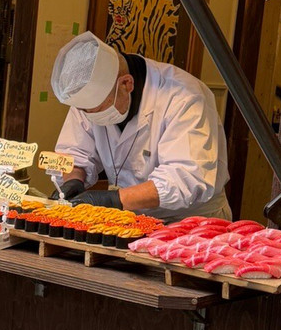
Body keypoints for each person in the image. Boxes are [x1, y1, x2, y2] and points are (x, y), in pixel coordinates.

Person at [51, 31, 231, 221]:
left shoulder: (184, 96)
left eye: (97, 109)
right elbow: (75, 154)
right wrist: (73, 181)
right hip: (131, 219)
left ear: (126, 84)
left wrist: (114, 200)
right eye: (84, 111)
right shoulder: (91, 102)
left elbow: (184, 178)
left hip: (190, 222)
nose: (90, 116)